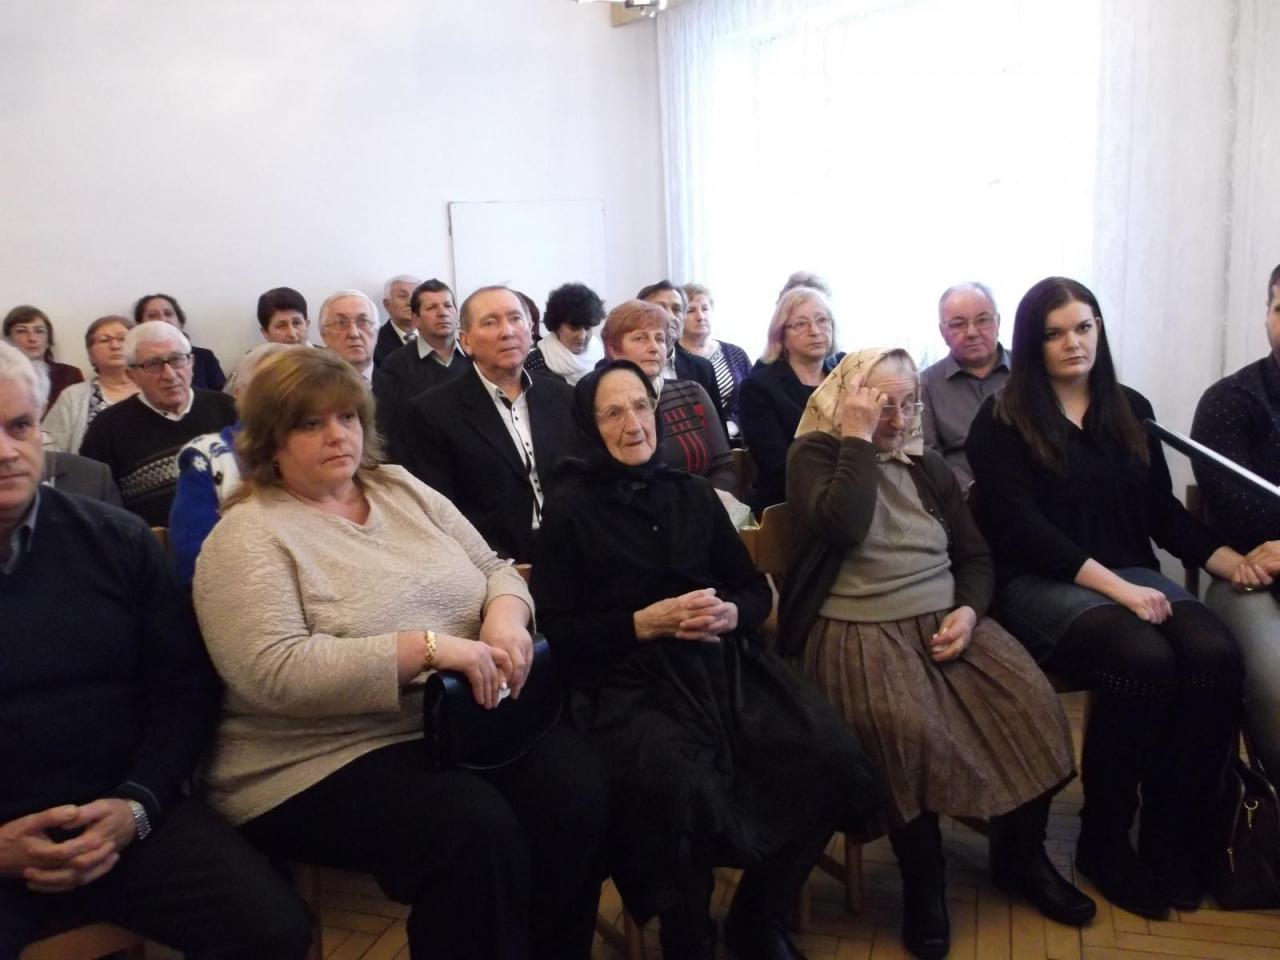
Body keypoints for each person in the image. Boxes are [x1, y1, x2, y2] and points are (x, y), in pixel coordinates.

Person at [192, 347, 606, 960]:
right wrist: (427, 650)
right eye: (310, 424)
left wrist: (506, 617)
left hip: (455, 721)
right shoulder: (249, 534)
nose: (338, 435)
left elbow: (494, 567)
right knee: (473, 831)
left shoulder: (399, 488)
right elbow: (271, 673)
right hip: (315, 755)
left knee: (575, 794)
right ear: (270, 440)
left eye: (347, 417)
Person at [533, 359, 883, 960]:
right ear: (589, 426)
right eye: (612, 413)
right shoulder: (569, 508)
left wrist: (729, 612)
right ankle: (687, 936)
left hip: (721, 666)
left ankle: (756, 919)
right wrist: (642, 623)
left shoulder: (693, 493)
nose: (633, 423)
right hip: (626, 681)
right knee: (680, 787)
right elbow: (559, 632)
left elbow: (751, 591)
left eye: (640, 406)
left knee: (830, 758)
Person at [0, 342, 311, 959]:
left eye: (20, 426)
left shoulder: (116, 542)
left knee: (273, 929)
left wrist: (137, 805)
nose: (7, 452)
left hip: (119, 813)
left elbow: (183, 692)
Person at [782, 348, 1092, 959]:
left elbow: (974, 555)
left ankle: (1021, 858)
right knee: (906, 731)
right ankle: (924, 885)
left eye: (908, 404)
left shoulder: (927, 464)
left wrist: (970, 611)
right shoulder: (814, 454)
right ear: (850, 401)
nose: (898, 419)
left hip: (944, 617)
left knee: (1031, 703)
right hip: (856, 629)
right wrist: (858, 439)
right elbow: (842, 525)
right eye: (882, 405)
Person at [966, 276, 1260, 920]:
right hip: (1038, 583)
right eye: (1054, 334)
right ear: (1032, 343)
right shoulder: (1001, 418)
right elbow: (1021, 529)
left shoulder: (1129, 407)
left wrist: (1231, 562)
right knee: (1142, 659)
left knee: (1215, 655)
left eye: (1083, 327)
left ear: (1099, 328)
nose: (1073, 343)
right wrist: (1122, 589)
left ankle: (1170, 835)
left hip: (1128, 574)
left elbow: (1163, 516)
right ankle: (1104, 838)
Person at [397, 286, 581, 562]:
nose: (507, 331)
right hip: (492, 561)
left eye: (515, 319)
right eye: (490, 323)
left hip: (574, 549)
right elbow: (441, 512)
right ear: (466, 341)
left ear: (531, 329)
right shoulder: (431, 412)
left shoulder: (563, 396)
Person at [1189, 261, 1280, 777]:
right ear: (1266, 313)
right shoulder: (1228, 401)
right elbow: (1243, 513)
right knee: (1277, 682)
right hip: (1250, 576)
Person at [79, 321, 237, 525]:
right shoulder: (107, 428)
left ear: (191, 363)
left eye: (177, 359)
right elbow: (95, 508)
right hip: (149, 541)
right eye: (153, 364)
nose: (169, 375)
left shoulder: (228, 409)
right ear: (132, 375)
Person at [169, 343, 294, 586]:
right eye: (268, 389)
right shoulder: (206, 457)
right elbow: (196, 561)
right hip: (248, 590)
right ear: (239, 395)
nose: (285, 400)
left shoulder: (329, 445)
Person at [601, 300, 735, 493]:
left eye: (660, 339)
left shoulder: (692, 392)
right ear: (614, 349)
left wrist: (706, 502)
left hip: (704, 504)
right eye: (640, 338)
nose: (654, 347)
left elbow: (724, 466)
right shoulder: (600, 403)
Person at [738, 286, 841, 515]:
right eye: (801, 324)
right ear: (781, 335)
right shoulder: (759, 387)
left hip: (848, 491)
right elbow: (776, 467)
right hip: (791, 505)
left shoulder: (845, 375)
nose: (815, 331)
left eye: (822, 320)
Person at [919, 282, 1011, 488]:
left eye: (982, 320)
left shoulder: (1030, 371)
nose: (971, 332)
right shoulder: (925, 386)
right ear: (942, 332)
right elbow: (929, 457)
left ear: (997, 322)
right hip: (965, 499)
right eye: (958, 324)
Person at [373, 279, 471, 456]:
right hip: (423, 460)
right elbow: (387, 427)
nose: (442, 313)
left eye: (448, 306)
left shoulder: (474, 357)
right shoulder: (397, 364)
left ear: (457, 314)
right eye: (431, 307)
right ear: (416, 319)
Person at [41, 315, 138, 454]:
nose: (115, 345)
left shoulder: (154, 389)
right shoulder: (72, 396)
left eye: (122, 339)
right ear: (91, 354)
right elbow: (48, 449)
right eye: (104, 340)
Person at [637, 281, 726, 425]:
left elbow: (716, 429)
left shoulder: (702, 368)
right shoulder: (619, 367)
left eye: (677, 309)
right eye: (661, 308)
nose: (671, 316)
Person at [680, 284, 751, 443]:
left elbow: (753, 398)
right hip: (692, 442)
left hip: (737, 442)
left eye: (705, 309)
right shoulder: (673, 357)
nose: (700, 316)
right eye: (691, 311)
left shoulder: (736, 354)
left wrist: (734, 423)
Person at [133, 294, 226, 391]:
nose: (162, 320)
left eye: (168, 314)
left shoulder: (204, 357)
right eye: (152, 315)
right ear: (140, 326)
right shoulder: (136, 362)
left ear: (180, 322)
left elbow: (222, 397)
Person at [524, 282, 605, 385]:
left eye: (588, 327)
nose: (582, 336)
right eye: (574, 327)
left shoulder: (600, 354)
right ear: (556, 326)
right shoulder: (534, 362)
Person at [4, 306, 83, 410]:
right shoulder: (3, 377)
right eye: (22, 331)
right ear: (9, 339)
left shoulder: (70, 375)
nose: (32, 338)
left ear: (48, 340)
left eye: (39, 331)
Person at [317, 289, 378, 385]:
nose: (354, 334)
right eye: (341, 323)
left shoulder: (399, 386)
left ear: (377, 332)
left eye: (364, 321)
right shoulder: (308, 389)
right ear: (324, 335)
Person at [374, 274, 422, 367]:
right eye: (402, 296)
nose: (410, 302)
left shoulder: (436, 337)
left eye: (416, 296)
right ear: (387, 304)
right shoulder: (374, 342)